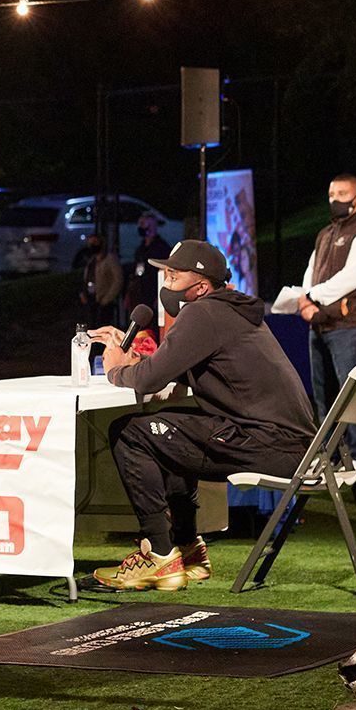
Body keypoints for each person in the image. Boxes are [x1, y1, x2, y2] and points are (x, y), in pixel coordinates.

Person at [87, 240, 316, 591]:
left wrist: (117, 368)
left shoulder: (203, 312)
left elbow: (150, 379)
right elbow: (172, 368)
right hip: (291, 445)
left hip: (270, 446)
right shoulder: (229, 310)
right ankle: (188, 549)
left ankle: (160, 555)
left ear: (201, 287)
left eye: (173, 276)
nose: (166, 284)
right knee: (171, 426)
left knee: (129, 432)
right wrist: (136, 361)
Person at [298, 174, 356, 473]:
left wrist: (312, 296)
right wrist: (306, 300)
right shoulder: (325, 233)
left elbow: (350, 279)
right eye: (332, 193)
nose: (336, 199)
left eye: (342, 193)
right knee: (324, 397)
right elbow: (311, 271)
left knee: (352, 394)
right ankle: (331, 456)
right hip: (321, 323)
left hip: (353, 324)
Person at [127, 213, 172, 315]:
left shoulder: (162, 248)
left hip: (153, 292)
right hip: (139, 292)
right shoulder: (140, 249)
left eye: (143, 224)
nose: (140, 227)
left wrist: (159, 296)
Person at [78, 235, 125, 330]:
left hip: (103, 301)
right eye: (90, 243)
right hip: (91, 300)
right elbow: (86, 278)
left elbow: (118, 280)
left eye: (95, 242)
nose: (92, 245)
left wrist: (107, 298)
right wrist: (83, 293)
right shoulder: (91, 261)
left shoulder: (110, 259)